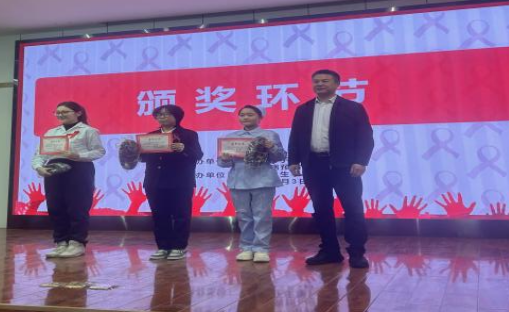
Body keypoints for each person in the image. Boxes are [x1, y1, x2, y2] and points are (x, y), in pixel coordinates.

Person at [288, 70, 374, 268]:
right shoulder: (303, 109)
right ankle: (329, 251)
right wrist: (293, 160)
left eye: (325, 81)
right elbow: (295, 137)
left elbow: (365, 137)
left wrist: (361, 161)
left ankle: (357, 253)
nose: (319, 84)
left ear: (337, 84)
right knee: (321, 209)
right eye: (316, 81)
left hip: (345, 167)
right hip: (314, 165)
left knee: (353, 208)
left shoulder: (353, 108)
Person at [127, 105, 203, 261]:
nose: (162, 117)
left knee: (181, 215)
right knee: (159, 215)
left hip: (180, 181)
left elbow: (198, 155)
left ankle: (179, 247)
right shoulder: (150, 136)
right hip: (154, 181)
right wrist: (134, 152)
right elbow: (144, 158)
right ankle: (163, 247)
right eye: (159, 115)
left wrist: (184, 149)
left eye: (167, 114)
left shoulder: (188, 135)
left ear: (177, 116)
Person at [32, 101, 106, 259]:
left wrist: (78, 155)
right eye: (57, 112)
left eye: (65, 112)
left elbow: (99, 151)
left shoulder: (89, 131)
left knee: (77, 207)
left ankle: (76, 243)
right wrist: (39, 167)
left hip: (79, 169)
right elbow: (40, 154)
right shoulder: (51, 132)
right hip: (53, 170)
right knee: (55, 207)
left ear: (78, 113)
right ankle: (61, 242)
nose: (60, 115)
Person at [217, 105, 286, 263]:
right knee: (243, 216)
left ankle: (261, 248)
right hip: (238, 180)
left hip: (263, 179)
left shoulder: (270, 135)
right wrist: (225, 158)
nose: (245, 117)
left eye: (250, 114)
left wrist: (272, 147)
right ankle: (246, 247)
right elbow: (222, 163)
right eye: (242, 115)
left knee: (262, 216)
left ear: (260, 117)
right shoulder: (231, 137)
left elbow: (280, 157)